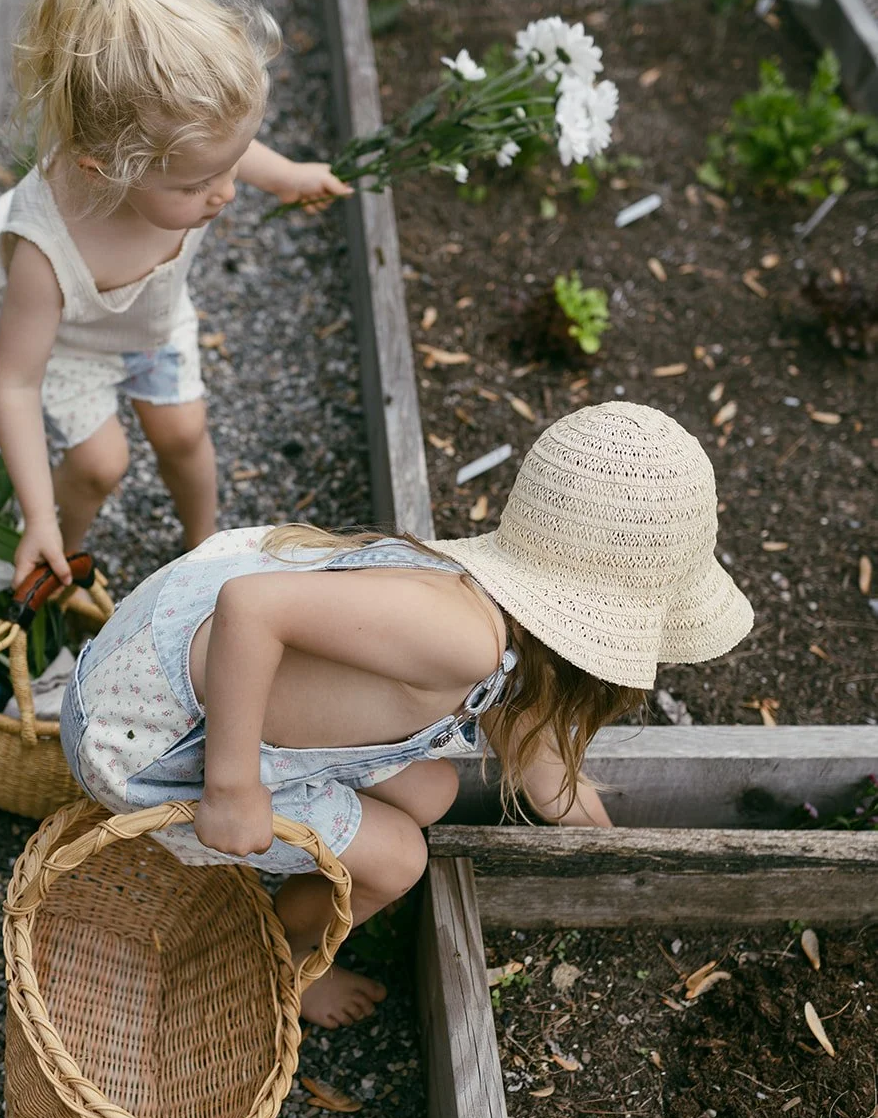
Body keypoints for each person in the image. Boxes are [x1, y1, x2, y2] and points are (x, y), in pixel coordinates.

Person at [59, 403, 753, 1028]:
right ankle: (288, 967)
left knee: (435, 790)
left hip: (174, 656)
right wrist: (232, 789)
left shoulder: (496, 624)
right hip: (145, 733)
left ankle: (300, 876)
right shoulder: (461, 637)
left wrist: (615, 855)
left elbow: (539, 766)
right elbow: (250, 608)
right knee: (397, 860)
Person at [0, 0, 351, 585]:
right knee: (100, 463)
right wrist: (35, 512)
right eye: (196, 184)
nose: (226, 194)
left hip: (154, 325)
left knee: (183, 434)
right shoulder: (46, 249)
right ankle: (51, 556)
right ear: (103, 173)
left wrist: (287, 174)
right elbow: (14, 382)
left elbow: (220, 156)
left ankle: (202, 547)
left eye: (231, 165)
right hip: (72, 346)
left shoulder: (190, 167)